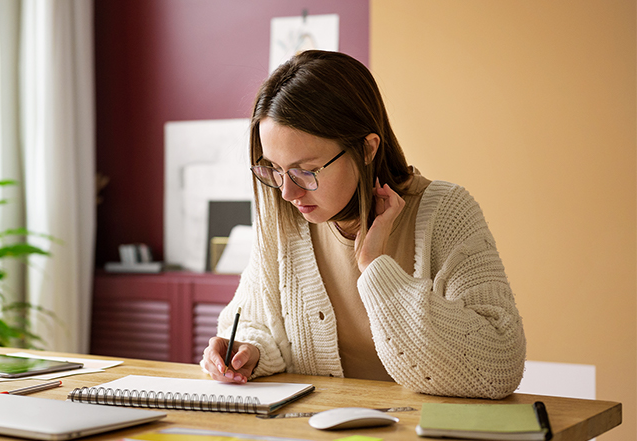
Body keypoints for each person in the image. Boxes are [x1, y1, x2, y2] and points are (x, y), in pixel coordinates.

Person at [199, 50, 526, 400]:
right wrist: (250, 352)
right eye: (274, 170)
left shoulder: (446, 212)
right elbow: (255, 321)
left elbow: (498, 366)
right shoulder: (285, 220)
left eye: (305, 171)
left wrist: (377, 269)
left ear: (368, 148)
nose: (287, 192)